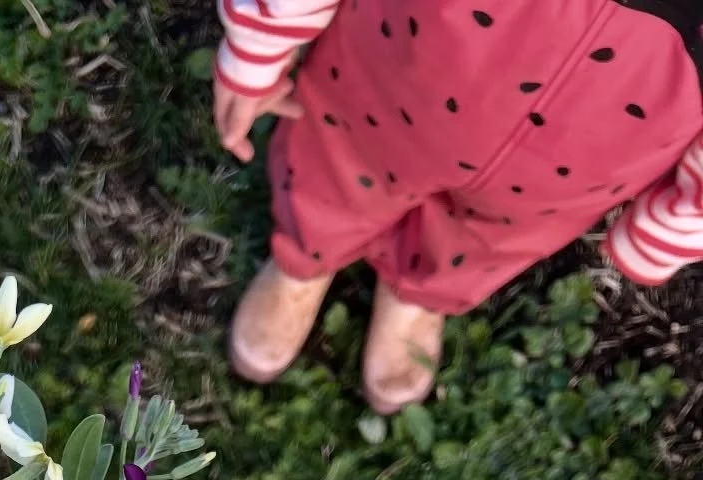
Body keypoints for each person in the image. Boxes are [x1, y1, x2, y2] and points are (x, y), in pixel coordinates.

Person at [213, 0, 703, 413]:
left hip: (614, 128)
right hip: (413, 48)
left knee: (502, 231)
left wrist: (687, 213)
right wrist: (263, 34)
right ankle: (306, 256)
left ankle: (420, 290)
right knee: (342, 154)